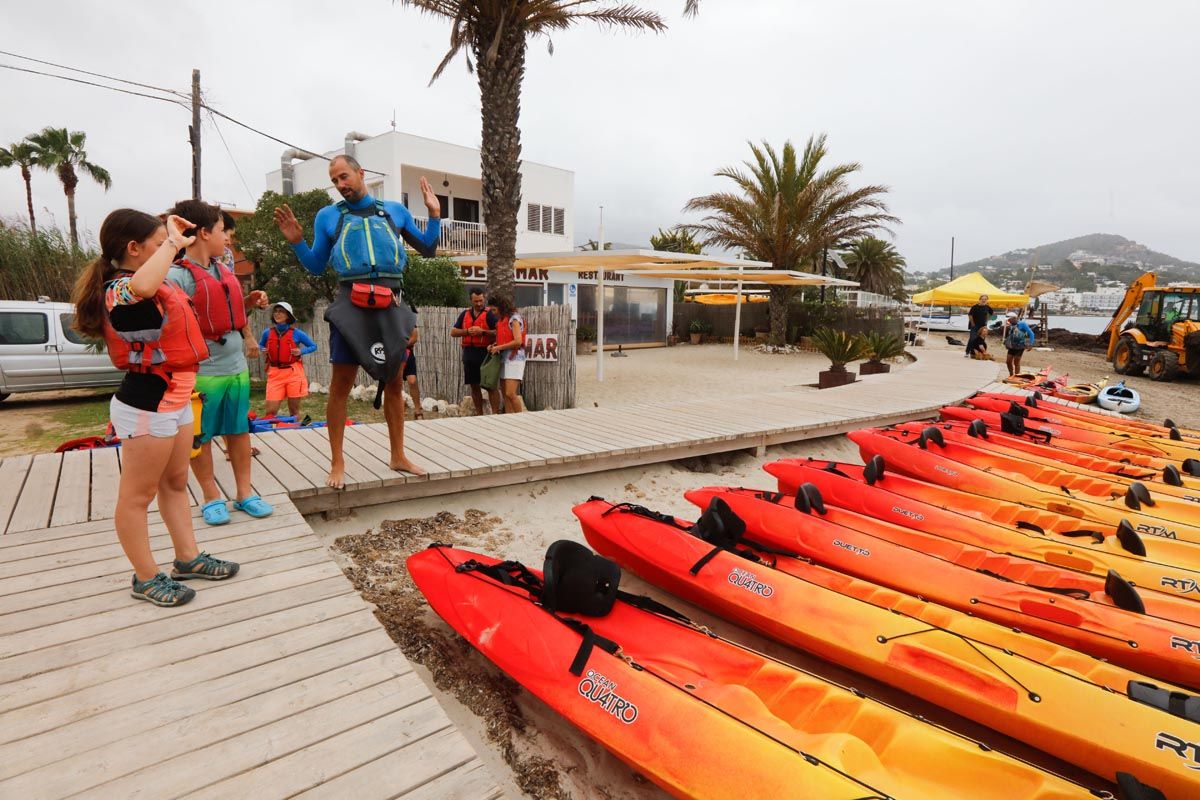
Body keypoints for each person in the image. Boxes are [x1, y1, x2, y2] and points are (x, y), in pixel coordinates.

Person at [70, 209, 239, 607]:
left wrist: (173, 242)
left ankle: (187, 557)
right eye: (159, 239)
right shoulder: (119, 289)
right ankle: (145, 578)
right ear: (133, 248)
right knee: (137, 496)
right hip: (146, 404)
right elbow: (142, 288)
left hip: (177, 398)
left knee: (176, 483)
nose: (169, 246)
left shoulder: (154, 281)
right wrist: (173, 243)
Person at [273, 155, 441, 488]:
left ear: (361, 173)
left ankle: (398, 455)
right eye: (334, 180)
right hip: (351, 302)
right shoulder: (328, 216)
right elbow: (317, 265)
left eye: (344, 177)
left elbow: (429, 248)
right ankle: (337, 462)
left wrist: (434, 214)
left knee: (394, 382)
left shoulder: (395, 210)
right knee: (341, 384)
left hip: (391, 301)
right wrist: (297, 242)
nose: (340, 185)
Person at [167, 199, 272, 525]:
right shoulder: (176, 276)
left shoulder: (222, 269)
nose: (227, 237)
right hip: (202, 374)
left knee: (239, 431)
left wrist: (248, 303)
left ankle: (244, 493)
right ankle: (211, 496)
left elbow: (225, 309)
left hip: (235, 367)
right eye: (222, 230)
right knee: (201, 436)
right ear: (201, 233)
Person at [258, 301, 317, 418]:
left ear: (288, 315)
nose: (277, 314)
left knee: (294, 412)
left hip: (293, 373)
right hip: (274, 373)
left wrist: (301, 351)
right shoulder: (267, 333)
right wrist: (262, 349)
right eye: (275, 311)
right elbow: (260, 345)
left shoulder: (297, 333)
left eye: (281, 311)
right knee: (270, 412)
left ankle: (301, 428)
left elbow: (313, 346)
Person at [452, 288, 501, 414]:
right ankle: (479, 414)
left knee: (490, 385)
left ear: (484, 298)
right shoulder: (464, 314)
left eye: (481, 300)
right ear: (471, 300)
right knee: (474, 385)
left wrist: (483, 332)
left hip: (486, 353)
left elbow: (498, 332)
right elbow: (453, 332)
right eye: (476, 301)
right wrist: (467, 331)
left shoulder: (490, 314)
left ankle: (495, 414)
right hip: (469, 353)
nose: (479, 303)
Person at [487, 294, 526, 413]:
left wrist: (499, 346)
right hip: (504, 359)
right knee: (505, 395)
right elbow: (504, 339)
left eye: (494, 309)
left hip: (515, 359)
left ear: (501, 307)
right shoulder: (501, 320)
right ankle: (508, 420)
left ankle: (522, 419)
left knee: (510, 393)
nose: (492, 312)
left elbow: (518, 341)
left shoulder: (514, 319)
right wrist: (494, 345)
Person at [403, 302, 424, 420]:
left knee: (412, 381)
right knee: (394, 383)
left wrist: (402, 344)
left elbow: (414, 338)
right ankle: (399, 408)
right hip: (394, 354)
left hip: (407, 353)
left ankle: (417, 409)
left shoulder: (411, 322)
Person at [1002, 311, 1037, 376]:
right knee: (1008, 361)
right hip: (1012, 346)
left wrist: (1031, 344)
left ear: (1014, 318)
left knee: (1016, 362)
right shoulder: (1011, 325)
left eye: (1009, 320)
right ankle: (1011, 374)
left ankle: (1016, 376)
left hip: (1020, 346)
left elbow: (1031, 334)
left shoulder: (1022, 324)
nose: (1008, 321)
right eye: (1008, 320)